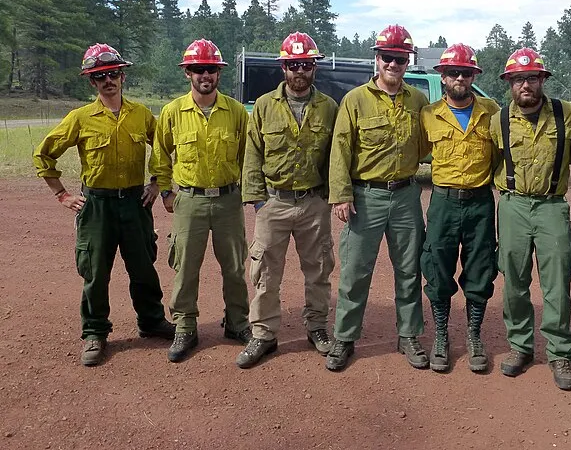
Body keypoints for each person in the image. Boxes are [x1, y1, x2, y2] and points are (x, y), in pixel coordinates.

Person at [33, 44, 174, 366]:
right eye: (100, 76)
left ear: (122, 76)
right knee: (96, 272)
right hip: (97, 204)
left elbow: (165, 148)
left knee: (142, 267)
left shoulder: (141, 115)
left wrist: (156, 183)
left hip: (135, 203)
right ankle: (95, 332)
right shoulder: (80, 118)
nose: (108, 80)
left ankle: (151, 321)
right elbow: (44, 154)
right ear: (92, 83)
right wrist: (62, 194)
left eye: (112, 73)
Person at [326, 24, 429, 372]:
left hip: (406, 195)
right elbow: (340, 149)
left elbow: (428, 145)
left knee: (409, 268)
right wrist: (340, 195)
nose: (394, 64)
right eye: (388, 57)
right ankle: (344, 338)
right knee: (355, 271)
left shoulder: (418, 100)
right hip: (365, 196)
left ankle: (409, 334)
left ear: (407, 61)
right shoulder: (355, 100)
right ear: (377, 59)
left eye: (400, 58)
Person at [236, 32, 338, 368]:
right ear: (283, 67)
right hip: (274, 203)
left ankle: (318, 328)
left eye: (305, 64)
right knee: (264, 272)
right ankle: (263, 334)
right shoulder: (265, 105)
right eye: (293, 64)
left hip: (313, 203)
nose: (299, 71)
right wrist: (258, 202)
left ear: (314, 68)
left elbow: (335, 157)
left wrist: (328, 197)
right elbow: (252, 154)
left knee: (319, 270)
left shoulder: (329, 107)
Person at [489, 48, 571, 390]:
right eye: (518, 79)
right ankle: (520, 346)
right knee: (514, 279)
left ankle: (559, 351)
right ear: (509, 84)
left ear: (543, 80)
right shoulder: (498, 120)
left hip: (551, 206)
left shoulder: (568, 114)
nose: (526, 85)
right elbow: (491, 162)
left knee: (557, 282)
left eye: (532, 78)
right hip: (513, 204)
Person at [152, 39, 251, 363]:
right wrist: (166, 191)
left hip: (227, 200)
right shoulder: (172, 112)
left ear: (219, 73)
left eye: (210, 69)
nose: (204, 74)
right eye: (198, 69)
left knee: (235, 267)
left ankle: (237, 323)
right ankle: (185, 326)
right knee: (184, 267)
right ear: (187, 73)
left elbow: (246, 155)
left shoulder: (236, 112)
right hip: (190, 201)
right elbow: (160, 154)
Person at [419, 44, 500, 373]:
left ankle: (474, 335)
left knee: (481, 267)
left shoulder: (492, 111)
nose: (460, 78)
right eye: (453, 72)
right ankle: (441, 334)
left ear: (474, 76)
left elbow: (501, 153)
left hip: (480, 200)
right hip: (443, 201)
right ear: (443, 76)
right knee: (437, 264)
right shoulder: (428, 114)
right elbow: (419, 151)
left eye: (466, 73)